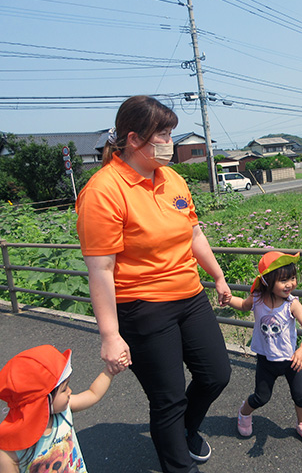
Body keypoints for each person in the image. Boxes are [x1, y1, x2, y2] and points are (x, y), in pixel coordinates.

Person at [75, 95, 232, 473]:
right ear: (134, 139)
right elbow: (100, 270)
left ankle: (185, 431)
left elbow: (194, 233)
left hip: (190, 296)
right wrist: (110, 335)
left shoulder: (172, 178)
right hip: (142, 306)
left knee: (216, 375)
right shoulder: (103, 190)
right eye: (163, 134)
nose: (170, 142)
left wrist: (218, 275)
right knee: (168, 399)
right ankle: (179, 464)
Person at [226, 251, 302, 445]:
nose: (289, 284)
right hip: (266, 360)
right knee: (261, 397)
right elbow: (243, 305)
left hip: (291, 360)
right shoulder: (258, 299)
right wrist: (228, 299)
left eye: (292, 278)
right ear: (267, 281)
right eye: (283, 280)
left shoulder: (292, 304)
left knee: (301, 396)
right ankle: (243, 413)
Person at [0, 344, 125, 472]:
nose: (70, 391)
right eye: (64, 389)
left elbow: (93, 394)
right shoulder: (12, 450)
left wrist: (109, 371)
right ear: (43, 401)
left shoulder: (64, 410)